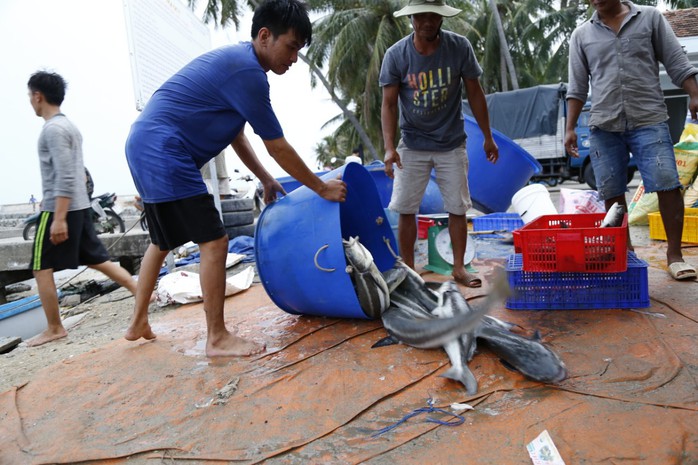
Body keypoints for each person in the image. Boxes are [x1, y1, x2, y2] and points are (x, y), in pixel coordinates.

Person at [124, 0, 347, 357]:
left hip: (145, 143)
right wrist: (320, 187)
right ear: (264, 36)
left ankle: (137, 322)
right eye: (291, 47)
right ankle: (216, 337)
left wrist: (265, 178)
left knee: (162, 240)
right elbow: (277, 145)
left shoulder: (238, 64)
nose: (293, 58)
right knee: (214, 242)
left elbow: (236, 135)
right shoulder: (248, 74)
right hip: (166, 149)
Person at [565, 0, 698, 281]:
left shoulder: (649, 17)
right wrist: (569, 129)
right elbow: (577, 86)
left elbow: (676, 61)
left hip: (648, 118)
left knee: (667, 183)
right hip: (604, 124)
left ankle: (675, 256)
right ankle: (624, 253)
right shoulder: (582, 34)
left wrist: (694, 94)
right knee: (612, 192)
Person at [379, 0, 499, 288]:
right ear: (412, 19)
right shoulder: (396, 55)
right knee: (406, 208)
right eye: (421, 16)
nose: (427, 22)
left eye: (433, 15)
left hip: (452, 142)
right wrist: (389, 147)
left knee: (458, 208)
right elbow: (388, 104)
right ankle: (409, 268)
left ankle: (459, 268)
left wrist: (487, 136)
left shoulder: (459, 48)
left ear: (441, 18)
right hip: (412, 142)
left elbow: (475, 93)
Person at [26, 70, 140, 347]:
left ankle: (54, 327)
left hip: (59, 209)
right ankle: (142, 291)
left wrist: (58, 218)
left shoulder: (53, 129)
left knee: (41, 268)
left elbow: (65, 175)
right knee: (97, 260)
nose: (30, 101)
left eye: (30, 96)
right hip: (78, 206)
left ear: (38, 96)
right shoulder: (69, 127)